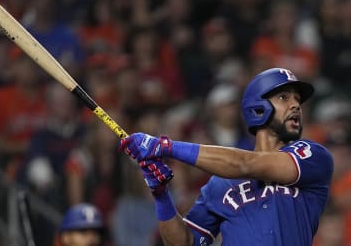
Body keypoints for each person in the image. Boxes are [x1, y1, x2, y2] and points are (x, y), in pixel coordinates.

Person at [119, 67, 334, 246]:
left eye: (297, 99)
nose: (295, 105)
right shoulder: (220, 183)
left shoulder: (312, 155)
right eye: (283, 97)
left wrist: (165, 146)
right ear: (258, 108)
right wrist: (161, 194)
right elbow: (184, 242)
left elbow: (246, 164)